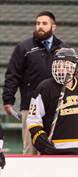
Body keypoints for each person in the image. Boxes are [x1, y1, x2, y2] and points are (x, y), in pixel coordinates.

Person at [2, 11, 67, 154]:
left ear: (53, 27)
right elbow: (12, 75)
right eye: (38, 23)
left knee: (54, 150)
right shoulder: (24, 47)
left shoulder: (63, 48)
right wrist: (8, 99)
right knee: (30, 150)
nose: (40, 27)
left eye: (44, 23)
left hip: (56, 107)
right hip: (29, 106)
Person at [26, 48, 78, 155]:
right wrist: (40, 139)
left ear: (74, 67)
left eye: (66, 65)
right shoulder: (45, 87)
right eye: (59, 65)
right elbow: (33, 119)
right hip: (54, 148)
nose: (62, 69)